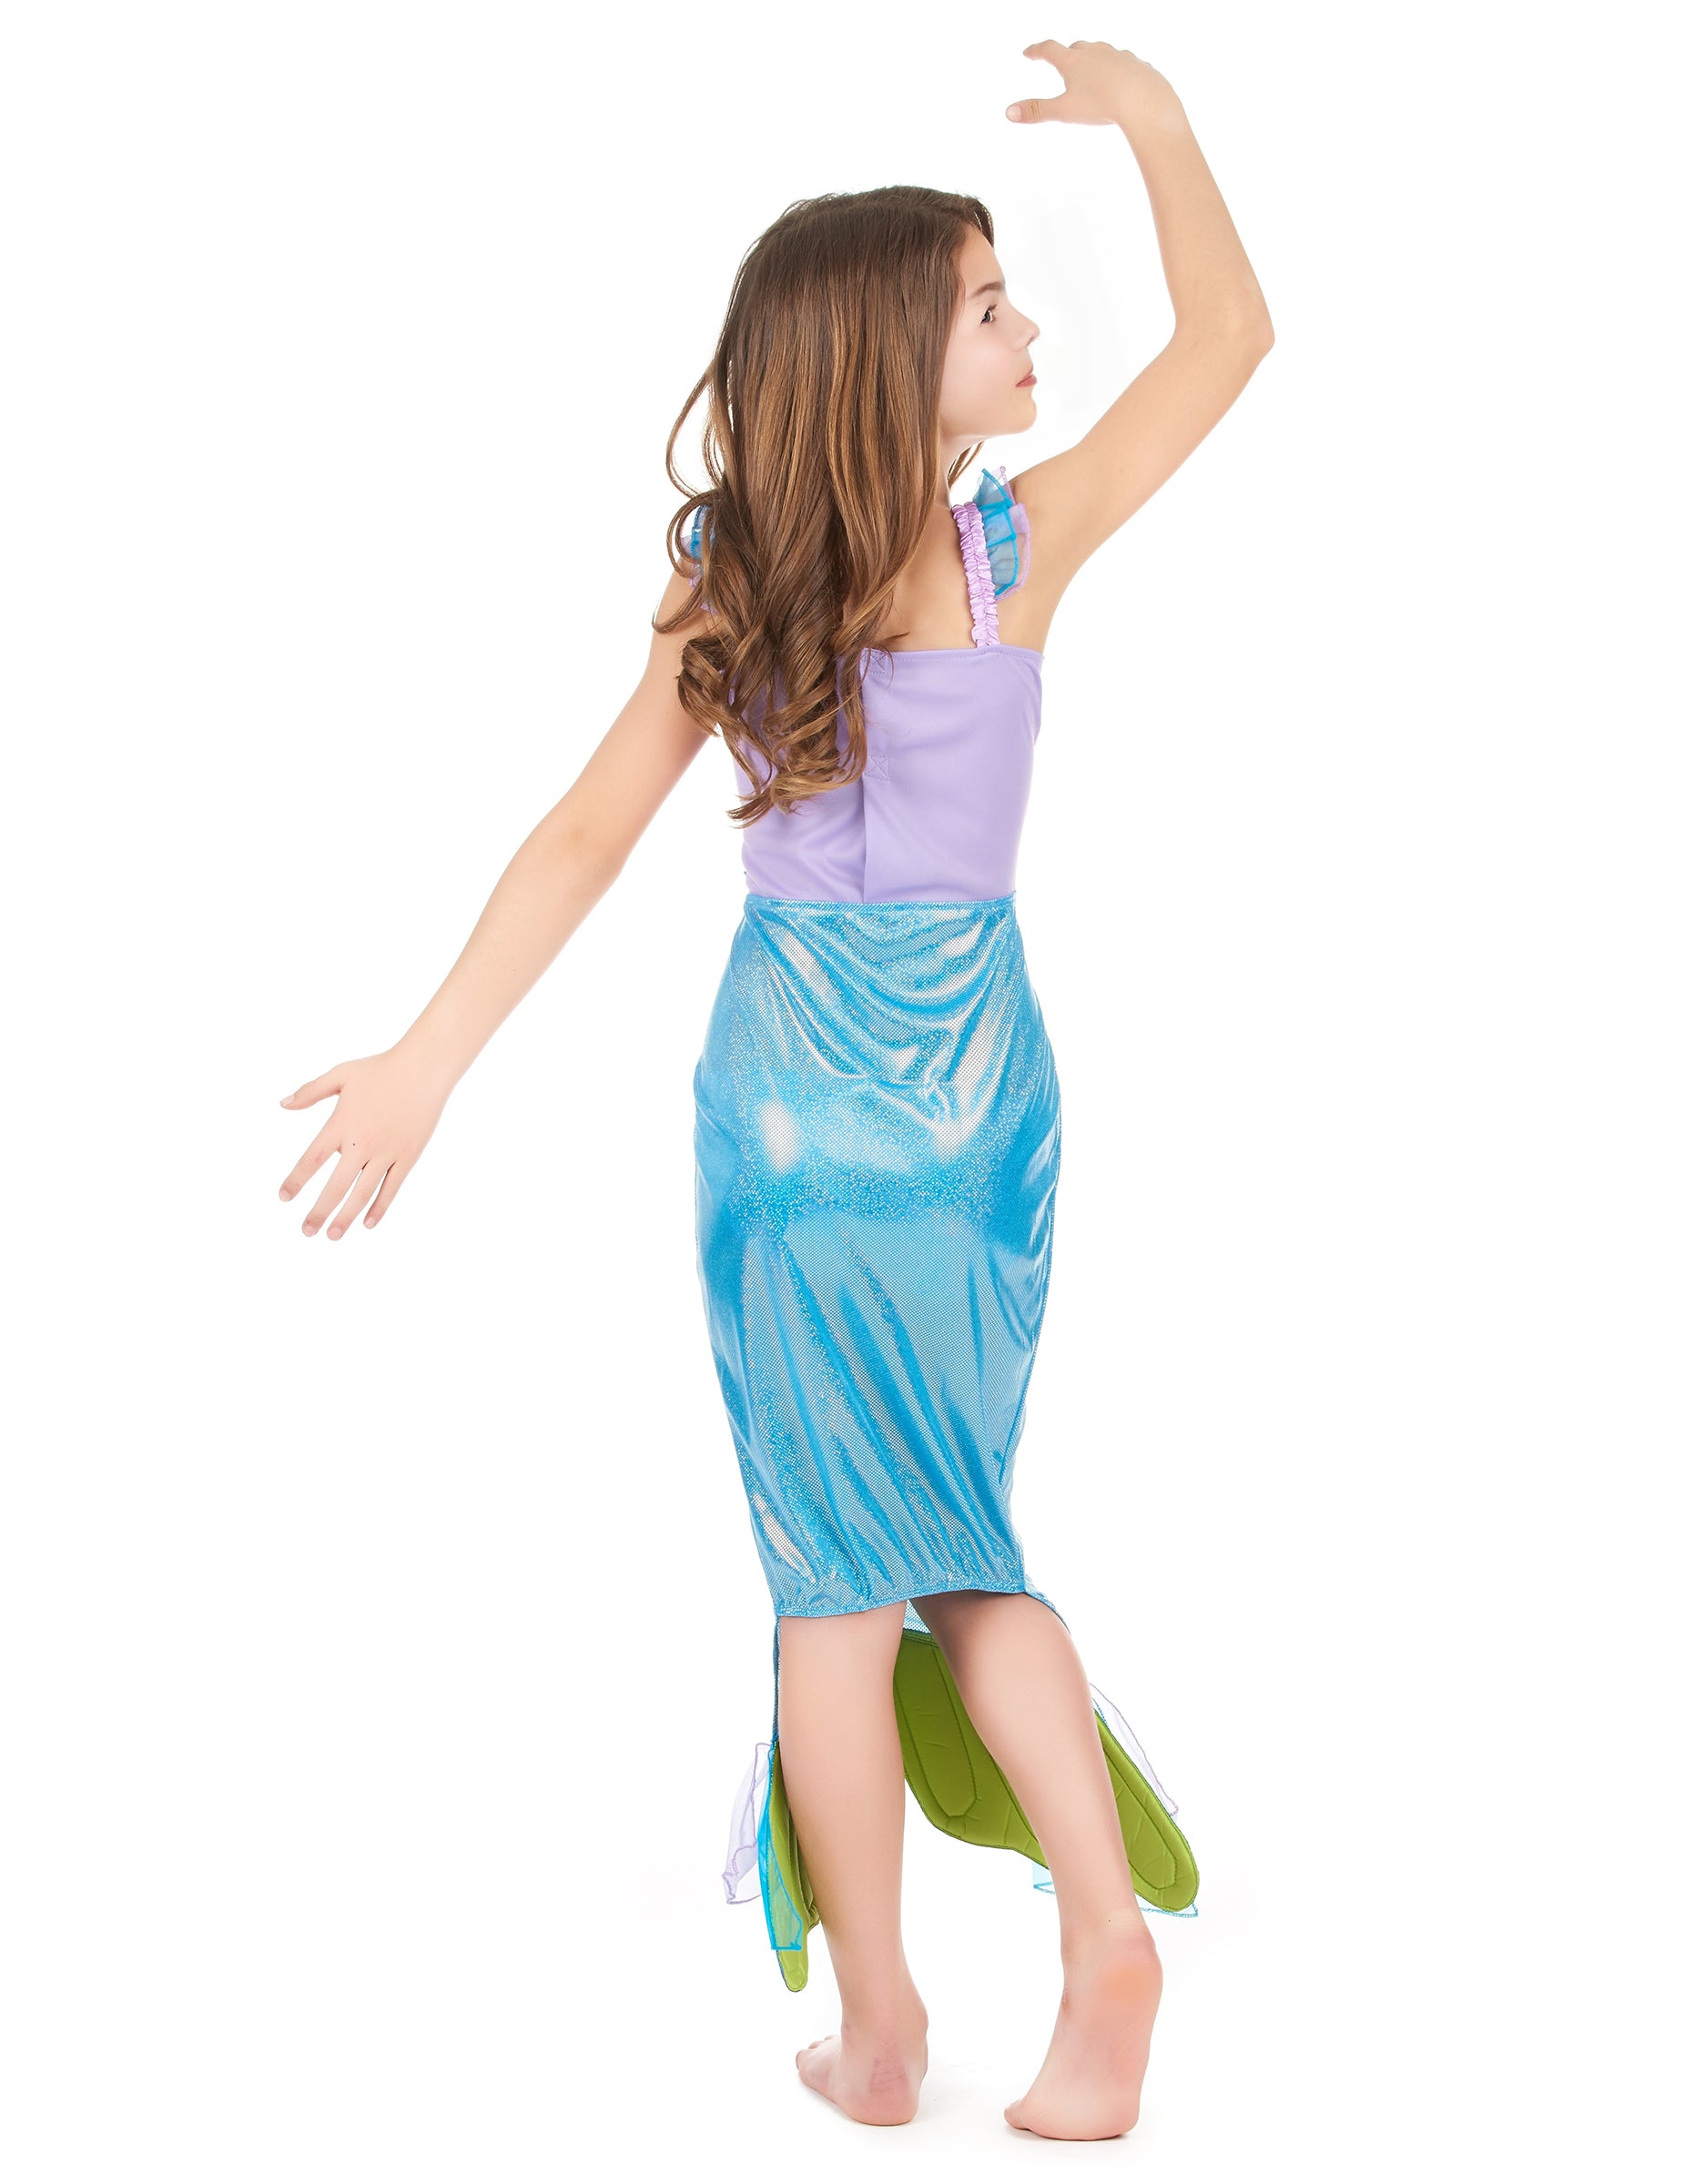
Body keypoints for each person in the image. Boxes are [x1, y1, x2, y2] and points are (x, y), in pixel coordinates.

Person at [277, 36, 1272, 2145]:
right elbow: (1229, 342)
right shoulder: (1019, 549)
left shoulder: (737, 576)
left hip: (798, 1124)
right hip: (984, 1100)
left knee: (832, 1577)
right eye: (990, 306)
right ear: (895, 362)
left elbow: (585, 833)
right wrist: (1162, 127)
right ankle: (1103, 1939)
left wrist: (428, 1062)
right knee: (964, 1538)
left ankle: (884, 2027)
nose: (1030, 330)